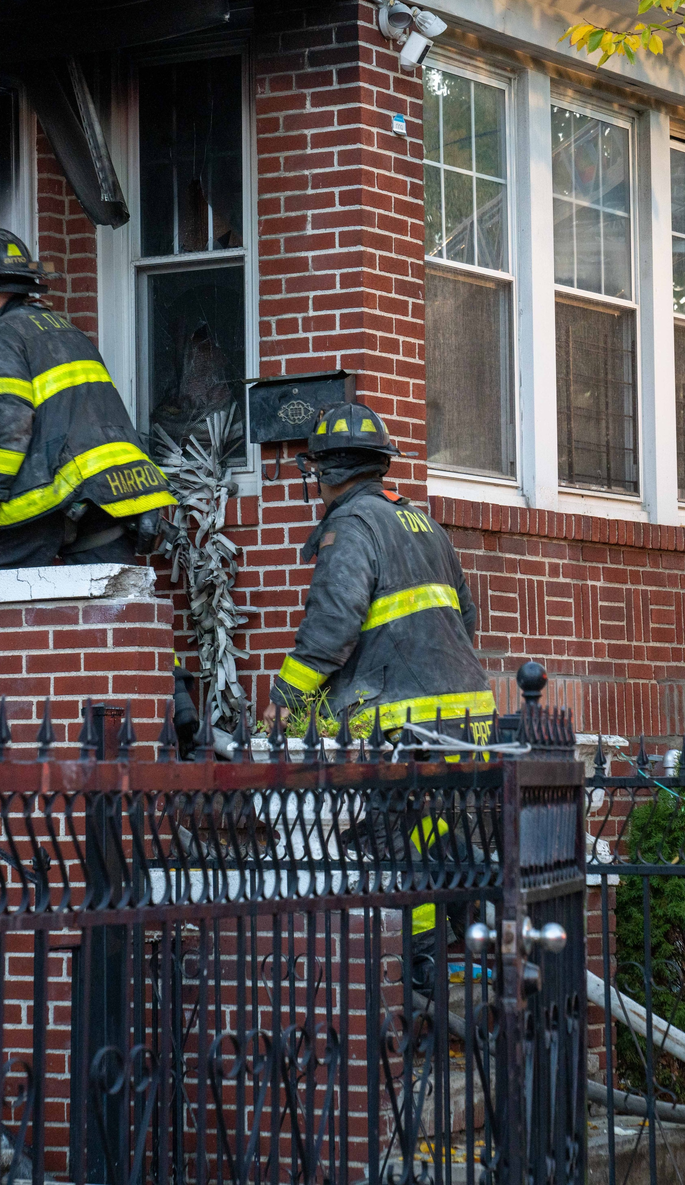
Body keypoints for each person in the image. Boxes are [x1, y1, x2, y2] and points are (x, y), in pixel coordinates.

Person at [267, 402, 495, 981]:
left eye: (316, 469)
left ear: (327, 472)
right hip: (466, 711)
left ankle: (420, 963)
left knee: (395, 836)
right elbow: (467, 619)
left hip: (407, 720)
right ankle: (482, 924)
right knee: (431, 825)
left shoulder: (352, 528)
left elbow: (331, 627)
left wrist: (285, 698)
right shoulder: (425, 525)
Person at [0, 227, 175, 570]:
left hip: (57, 488)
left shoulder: (0, 337)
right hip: (113, 493)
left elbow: (8, 422)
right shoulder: (66, 331)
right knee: (110, 607)